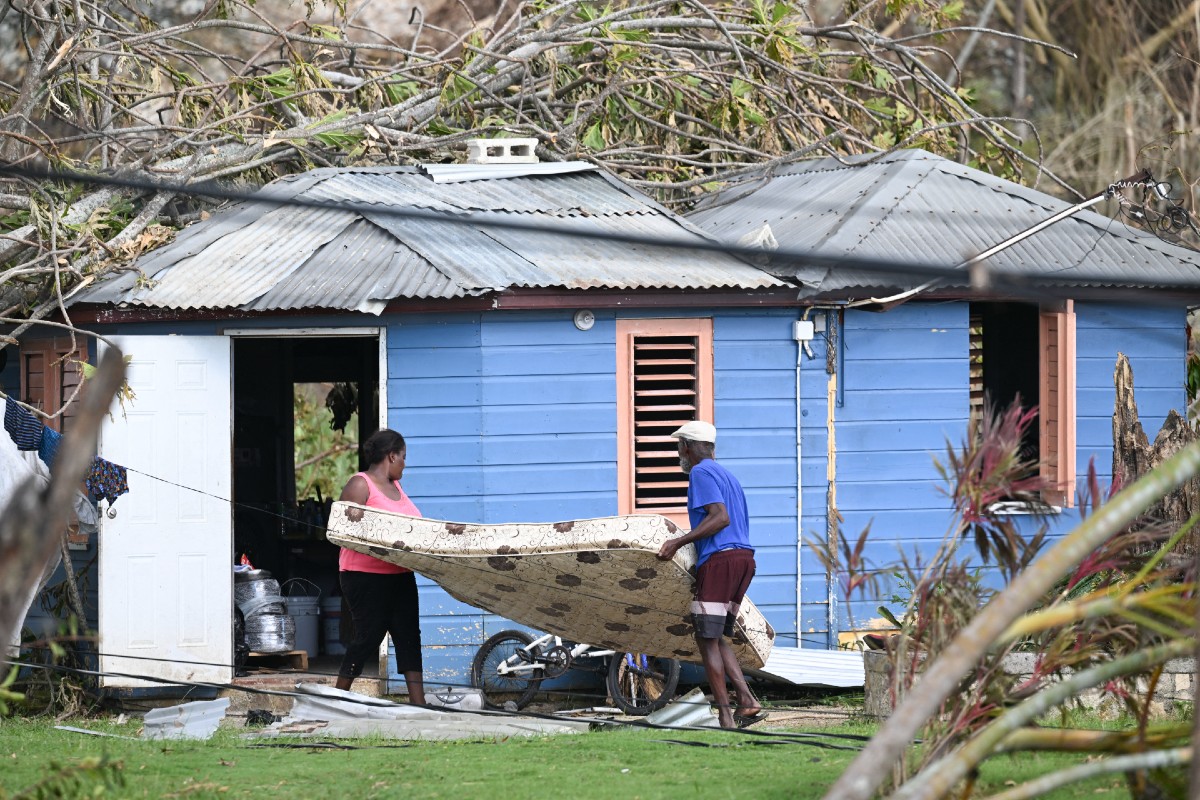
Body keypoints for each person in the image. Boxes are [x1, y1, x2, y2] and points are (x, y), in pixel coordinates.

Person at [656, 420, 764, 729]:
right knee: (717, 637)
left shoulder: (701, 472)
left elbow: (720, 518)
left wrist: (678, 541)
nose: (680, 454)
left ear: (687, 448)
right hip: (744, 560)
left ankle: (725, 716)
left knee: (706, 639)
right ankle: (747, 701)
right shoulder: (728, 476)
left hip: (720, 560)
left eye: (679, 448)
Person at [333, 428, 425, 705]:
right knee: (368, 636)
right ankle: (336, 698)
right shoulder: (360, 485)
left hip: (400, 574)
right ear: (391, 455)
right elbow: (342, 530)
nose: (405, 464)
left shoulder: (396, 487)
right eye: (403, 458)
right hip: (364, 576)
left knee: (409, 635)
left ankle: (419, 705)